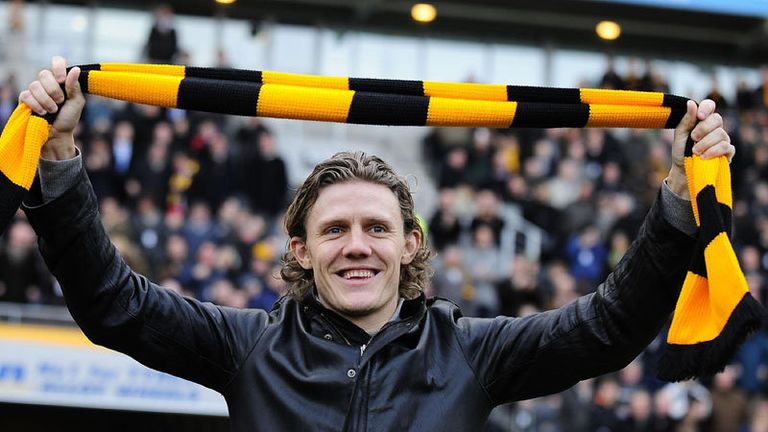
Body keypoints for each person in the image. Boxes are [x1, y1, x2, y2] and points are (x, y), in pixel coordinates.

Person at [18, 57, 736, 431]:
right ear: (298, 249)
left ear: (410, 244)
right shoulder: (246, 347)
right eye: (334, 229)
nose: (356, 246)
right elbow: (111, 304)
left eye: (375, 229)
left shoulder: (470, 351)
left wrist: (677, 194)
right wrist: (58, 156)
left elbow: (608, 330)